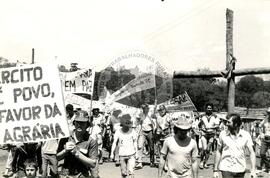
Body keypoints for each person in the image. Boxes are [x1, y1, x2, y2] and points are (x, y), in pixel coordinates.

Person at [57, 110, 99, 178]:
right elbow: (56, 157)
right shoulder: (66, 138)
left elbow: (93, 163)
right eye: (78, 122)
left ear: (87, 125)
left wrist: (77, 153)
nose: (79, 125)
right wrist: (65, 151)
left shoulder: (91, 141)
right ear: (74, 123)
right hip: (65, 175)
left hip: (82, 175)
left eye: (83, 123)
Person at [213, 113, 256, 178]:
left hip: (240, 169)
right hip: (226, 168)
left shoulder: (246, 135)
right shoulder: (223, 134)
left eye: (229, 122)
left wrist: (253, 170)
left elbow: (252, 152)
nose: (226, 124)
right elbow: (218, 151)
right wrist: (215, 170)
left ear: (236, 124)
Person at [110, 114, 137, 178]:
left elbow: (135, 142)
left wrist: (137, 153)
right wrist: (112, 153)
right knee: (123, 173)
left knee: (131, 172)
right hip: (122, 155)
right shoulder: (118, 132)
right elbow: (114, 143)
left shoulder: (133, 131)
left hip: (131, 154)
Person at [199, 103, 220, 169]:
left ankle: (205, 162)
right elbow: (198, 125)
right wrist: (201, 127)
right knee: (204, 148)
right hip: (204, 134)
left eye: (210, 108)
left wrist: (212, 127)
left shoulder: (215, 116)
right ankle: (201, 161)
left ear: (212, 109)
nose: (209, 109)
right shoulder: (201, 116)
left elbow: (217, 125)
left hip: (212, 134)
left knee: (208, 149)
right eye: (208, 108)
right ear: (206, 109)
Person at [136, 104, 156, 168]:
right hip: (142, 131)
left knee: (151, 147)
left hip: (150, 131)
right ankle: (139, 162)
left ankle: (152, 161)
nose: (145, 110)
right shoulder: (141, 114)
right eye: (144, 108)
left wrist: (154, 131)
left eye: (146, 108)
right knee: (140, 146)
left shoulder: (151, 114)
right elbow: (138, 123)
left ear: (148, 109)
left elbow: (155, 123)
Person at [259, 107, 270, 173]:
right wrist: (261, 134)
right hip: (265, 139)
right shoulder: (265, 120)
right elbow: (260, 126)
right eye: (268, 113)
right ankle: (268, 165)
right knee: (262, 153)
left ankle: (268, 168)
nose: (269, 114)